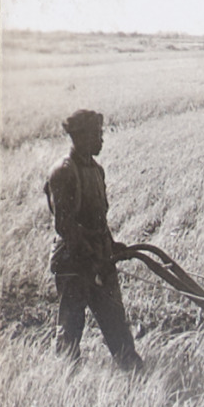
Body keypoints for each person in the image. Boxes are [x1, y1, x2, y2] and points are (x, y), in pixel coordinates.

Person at [44, 109, 143, 369]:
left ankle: (132, 370)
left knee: (116, 322)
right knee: (71, 327)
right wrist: (93, 257)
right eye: (96, 134)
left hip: (98, 257)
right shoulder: (64, 172)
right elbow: (65, 225)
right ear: (80, 136)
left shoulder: (97, 170)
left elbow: (99, 219)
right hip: (73, 262)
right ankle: (65, 378)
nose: (101, 139)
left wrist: (111, 246)